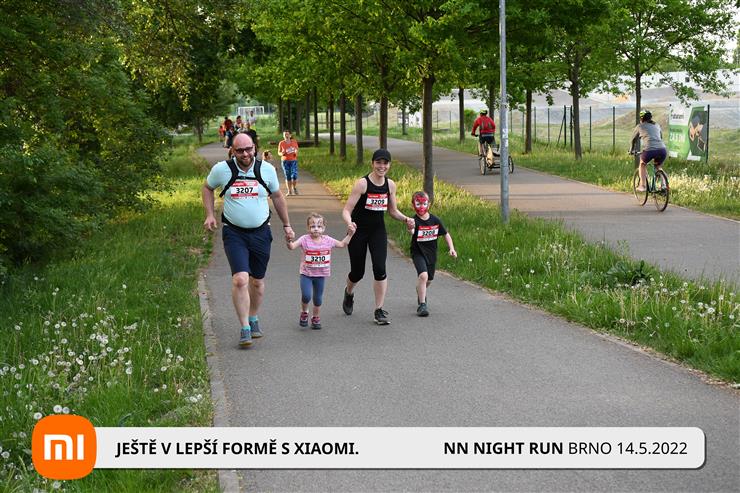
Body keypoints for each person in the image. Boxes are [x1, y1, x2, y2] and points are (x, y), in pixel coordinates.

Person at [202, 133, 295, 347]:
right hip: (234, 233)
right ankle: (244, 327)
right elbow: (207, 188)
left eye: (248, 149)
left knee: (257, 282)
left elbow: (277, 196)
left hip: (261, 233)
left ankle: (253, 317)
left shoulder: (267, 170)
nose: (245, 154)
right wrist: (209, 214)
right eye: (240, 150)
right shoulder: (222, 170)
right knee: (240, 279)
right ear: (232, 151)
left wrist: (287, 225)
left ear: (255, 147)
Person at [341, 148, 416, 325]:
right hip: (358, 231)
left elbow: (392, 211)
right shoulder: (362, 184)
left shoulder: (390, 185)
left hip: (377, 231)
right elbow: (346, 210)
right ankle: (349, 293)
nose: (382, 166)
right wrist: (349, 223)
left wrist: (406, 219)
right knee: (357, 272)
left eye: (385, 163)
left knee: (380, 269)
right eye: (378, 163)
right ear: (372, 164)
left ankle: (379, 310)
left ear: (389, 165)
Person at [286, 213, 354, 330]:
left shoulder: (328, 240)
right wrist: (288, 240)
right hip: (306, 274)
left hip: (320, 275)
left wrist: (350, 234)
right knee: (306, 296)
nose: (316, 229)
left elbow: (342, 244)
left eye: (319, 226)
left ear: (324, 228)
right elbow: (292, 247)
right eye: (313, 226)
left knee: (318, 299)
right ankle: (304, 312)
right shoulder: (304, 239)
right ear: (308, 228)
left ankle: (316, 317)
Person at [407, 191, 457, 317]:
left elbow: (446, 234)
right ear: (413, 205)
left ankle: (420, 289)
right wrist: (410, 227)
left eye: (424, 203)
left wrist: (451, 248)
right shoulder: (414, 220)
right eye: (418, 204)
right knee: (423, 276)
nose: (421, 207)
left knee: (428, 280)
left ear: (429, 204)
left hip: (431, 254)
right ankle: (422, 305)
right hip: (418, 252)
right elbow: (412, 231)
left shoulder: (435, 220)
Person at [630, 110, 667, 192]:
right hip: (662, 149)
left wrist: (631, 150)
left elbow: (633, 139)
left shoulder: (640, 126)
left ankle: (642, 185)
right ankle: (664, 185)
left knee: (642, 164)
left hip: (649, 150)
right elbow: (660, 137)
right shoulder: (657, 125)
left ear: (641, 118)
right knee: (658, 166)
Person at [278, 130, 300, 195]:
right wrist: (282, 153)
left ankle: (294, 188)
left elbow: (297, 149)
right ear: (283, 136)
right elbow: (279, 152)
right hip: (285, 161)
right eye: (285, 134)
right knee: (288, 176)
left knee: (294, 176)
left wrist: (296, 152)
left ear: (290, 135)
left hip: (293, 161)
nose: (286, 136)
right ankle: (289, 191)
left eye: (287, 134)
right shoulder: (281, 143)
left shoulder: (294, 141)